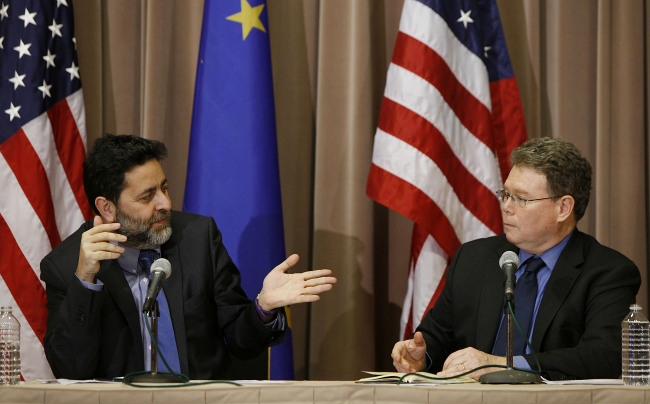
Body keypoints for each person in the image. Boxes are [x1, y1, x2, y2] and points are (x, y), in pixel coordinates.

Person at [40, 134, 337, 380]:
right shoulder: (66, 266)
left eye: (164, 188)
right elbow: (70, 370)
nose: (165, 203)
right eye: (147, 197)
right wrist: (85, 282)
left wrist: (263, 307)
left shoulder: (197, 238)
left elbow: (240, 341)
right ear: (106, 208)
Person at [391, 137, 641, 381]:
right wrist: (422, 357)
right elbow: (437, 336)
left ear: (563, 208)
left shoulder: (608, 272)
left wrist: (503, 365)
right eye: (506, 194)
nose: (507, 207)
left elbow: (603, 356)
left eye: (522, 199)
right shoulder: (474, 258)